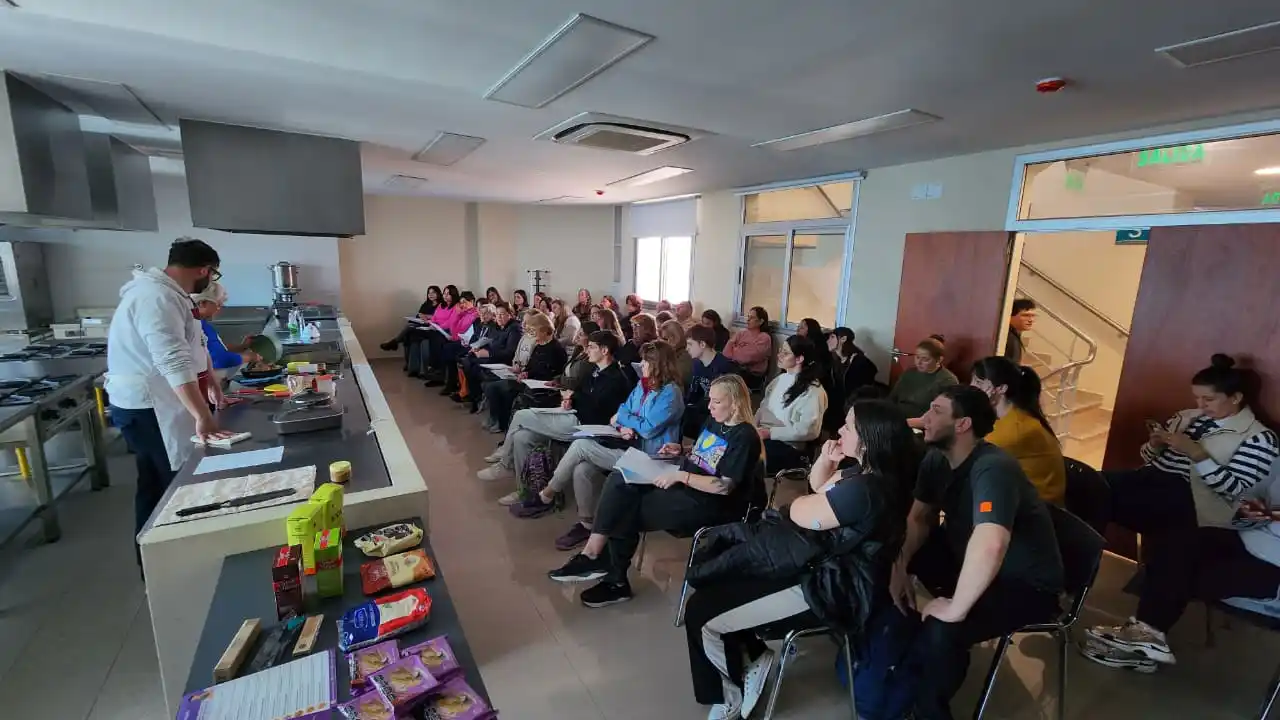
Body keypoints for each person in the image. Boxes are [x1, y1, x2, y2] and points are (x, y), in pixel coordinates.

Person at [681, 400, 919, 720]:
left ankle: (728, 697)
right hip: (820, 565)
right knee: (723, 577)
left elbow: (800, 511)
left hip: (829, 588)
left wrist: (802, 503)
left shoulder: (865, 489)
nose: (840, 430)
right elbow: (819, 486)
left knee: (702, 612)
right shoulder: (867, 474)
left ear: (868, 440)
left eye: (848, 427)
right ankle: (753, 656)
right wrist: (825, 460)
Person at [1080, 354, 1280, 671]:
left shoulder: (1259, 439)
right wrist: (1156, 446)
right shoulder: (1188, 418)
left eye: (1209, 399)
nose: (1201, 406)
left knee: (1173, 538)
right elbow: (1150, 462)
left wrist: (1198, 454)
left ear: (1236, 398)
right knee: (1086, 485)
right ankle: (1071, 582)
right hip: (1156, 486)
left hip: (1198, 505)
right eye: (1197, 398)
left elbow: (1234, 493)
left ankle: (1143, 634)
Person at [893, 386, 1064, 720]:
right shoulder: (937, 458)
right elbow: (918, 518)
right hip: (969, 559)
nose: (925, 418)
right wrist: (899, 567)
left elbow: (991, 542)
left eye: (936, 411)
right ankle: (900, 661)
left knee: (944, 629)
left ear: (963, 424)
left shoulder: (993, 467)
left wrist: (955, 608)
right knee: (882, 557)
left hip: (1025, 585)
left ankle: (927, 711)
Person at [548, 374, 763, 608]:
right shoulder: (715, 421)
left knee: (625, 507)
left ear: (735, 403)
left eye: (717, 401)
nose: (709, 406)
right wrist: (682, 449)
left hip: (711, 504)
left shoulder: (745, 436)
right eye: (710, 399)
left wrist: (680, 476)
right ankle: (596, 556)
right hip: (688, 486)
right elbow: (706, 454)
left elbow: (723, 486)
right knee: (620, 478)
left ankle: (608, 573)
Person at [106, 238, 232, 558]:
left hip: (157, 402)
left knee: (157, 482)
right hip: (150, 407)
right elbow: (172, 360)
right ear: (204, 270)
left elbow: (195, 344)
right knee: (170, 487)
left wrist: (211, 381)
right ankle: (169, 562)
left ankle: (157, 561)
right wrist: (202, 415)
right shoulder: (156, 297)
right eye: (212, 274)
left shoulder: (171, 294)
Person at [516, 341, 685, 552]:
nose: (641, 365)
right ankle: (587, 524)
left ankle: (546, 495)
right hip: (629, 447)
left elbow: (648, 429)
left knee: (581, 445)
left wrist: (625, 420)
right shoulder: (644, 385)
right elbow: (622, 410)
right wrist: (624, 425)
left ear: (659, 364)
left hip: (652, 459)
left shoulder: (671, 393)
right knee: (582, 469)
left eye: (646, 361)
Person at [477, 330, 630, 482]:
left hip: (585, 426)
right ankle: (526, 489)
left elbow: (597, 409)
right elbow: (581, 394)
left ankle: (505, 464)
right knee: (521, 437)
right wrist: (570, 399)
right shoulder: (595, 369)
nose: (587, 350)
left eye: (591, 347)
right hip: (574, 415)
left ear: (604, 350)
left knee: (521, 415)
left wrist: (574, 399)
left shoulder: (615, 379)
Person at [970, 356, 1066, 505]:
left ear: (1001, 389)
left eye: (978, 383)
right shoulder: (1009, 416)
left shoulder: (1017, 428)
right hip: (1019, 499)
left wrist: (974, 405)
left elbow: (969, 453)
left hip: (1038, 510)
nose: (971, 386)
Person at [757, 335, 828, 473]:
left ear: (799, 359)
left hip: (789, 446)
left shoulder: (813, 391)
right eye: (780, 351)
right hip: (766, 434)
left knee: (745, 456)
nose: (779, 356)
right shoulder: (779, 380)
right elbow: (762, 408)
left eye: (785, 353)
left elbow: (808, 431)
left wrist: (770, 433)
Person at [481, 309, 539, 433]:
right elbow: (516, 356)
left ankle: (502, 423)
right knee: (489, 384)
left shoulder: (536, 340)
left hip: (525, 377)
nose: (523, 324)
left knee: (500, 388)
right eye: (523, 321)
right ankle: (494, 417)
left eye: (527, 322)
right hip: (516, 371)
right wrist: (516, 364)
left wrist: (521, 369)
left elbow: (533, 362)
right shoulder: (524, 337)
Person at [462, 302, 522, 413]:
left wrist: (489, 353)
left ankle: (477, 398)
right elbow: (491, 343)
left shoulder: (514, 329)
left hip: (505, 362)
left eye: (502, 314)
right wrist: (479, 348)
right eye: (497, 314)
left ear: (510, 315)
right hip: (495, 358)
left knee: (474, 367)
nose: (499, 317)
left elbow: (510, 353)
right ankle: (475, 397)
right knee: (469, 360)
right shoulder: (498, 327)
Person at [192, 282, 258, 377]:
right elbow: (220, 359)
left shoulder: (202, 323)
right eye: (218, 305)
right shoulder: (196, 326)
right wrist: (250, 357)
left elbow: (217, 348)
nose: (219, 309)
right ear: (202, 303)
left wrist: (242, 347)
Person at [889, 335, 958, 423]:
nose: (919, 362)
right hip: (896, 416)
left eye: (925, 359)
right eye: (917, 357)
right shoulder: (909, 373)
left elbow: (940, 415)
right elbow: (892, 398)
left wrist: (907, 423)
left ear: (939, 359)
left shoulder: (947, 380)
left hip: (921, 423)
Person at [684, 325, 734, 439]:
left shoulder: (724, 366)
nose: (687, 348)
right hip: (704, 407)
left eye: (690, 344)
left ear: (702, 344)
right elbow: (695, 390)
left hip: (720, 412)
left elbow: (727, 400)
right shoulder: (697, 363)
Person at [425, 291, 479, 395]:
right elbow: (454, 330)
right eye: (461, 303)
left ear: (472, 301)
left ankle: (447, 380)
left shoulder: (475, 314)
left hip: (469, 343)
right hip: (459, 340)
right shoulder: (463, 314)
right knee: (445, 347)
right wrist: (457, 315)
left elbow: (468, 332)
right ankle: (446, 379)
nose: (462, 305)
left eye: (465, 302)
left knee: (448, 350)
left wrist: (456, 337)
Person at [407, 284, 458, 377]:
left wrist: (438, 326)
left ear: (453, 295)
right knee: (413, 332)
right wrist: (431, 323)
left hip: (445, 331)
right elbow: (434, 317)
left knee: (434, 337)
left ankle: (433, 367)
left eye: (448, 294)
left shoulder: (456, 307)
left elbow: (450, 322)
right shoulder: (441, 305)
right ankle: (417, 369)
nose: (445, 296)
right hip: (434, 328)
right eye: (444, 293)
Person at [381, 284, 441, 352]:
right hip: (423, 323)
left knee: (409, 328)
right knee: (409, 326)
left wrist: (427, 316)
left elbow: (439, 317)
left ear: (438, 293)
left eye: (433, 292)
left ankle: (395, 342)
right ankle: (395, 343)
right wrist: (421, 316)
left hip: (432, 325)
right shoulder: (426, 303)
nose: (431, 295)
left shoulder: (441, 304)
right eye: (429, 293)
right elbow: (419, 314)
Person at [722, 307, 771, 383]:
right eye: (748, 317)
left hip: (752, 375)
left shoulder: (764, 338)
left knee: (727, 375)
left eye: (752, 317)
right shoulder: (741, 333)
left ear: (761, 321)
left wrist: (735, 349)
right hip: (736, 368)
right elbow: (725, 353)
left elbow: (747, 358)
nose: (748, 320)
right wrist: (741, 351)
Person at [829, 327, 878, 401]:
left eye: (832, 337)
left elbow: (872, 372)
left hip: (851, 402)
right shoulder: (835, 359)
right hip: (837, 400)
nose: (828, 341)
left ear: (843, 339)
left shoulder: (858, 360)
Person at [660, 320, 692, 390]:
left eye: (665, 339)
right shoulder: (669, 353)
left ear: (675, 337)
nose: (662, 342)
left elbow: (678, 379)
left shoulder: (686, 355)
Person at [1004, 298, 1036, 365]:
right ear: (1010, 316)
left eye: (1033, 316)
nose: (1031, 320)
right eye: (1025, 315)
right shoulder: (1010, 338)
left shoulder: (1014, 336)